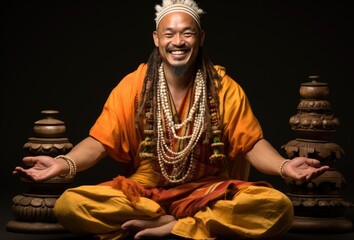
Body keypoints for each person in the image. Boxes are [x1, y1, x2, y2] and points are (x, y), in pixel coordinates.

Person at [13, 0, 329, 239]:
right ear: (156, 38)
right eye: (170, 33)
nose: (178, 41)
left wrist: (284, 166)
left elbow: (251, 143)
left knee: (279, 208)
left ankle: (178, 226)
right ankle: (159, 219)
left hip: (207, 194)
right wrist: (64, 163)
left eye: (186, 33)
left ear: (200, 38)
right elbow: (99, 142)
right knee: (70, 204)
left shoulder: (222, 88)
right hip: (143, 195)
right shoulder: (133, 86)